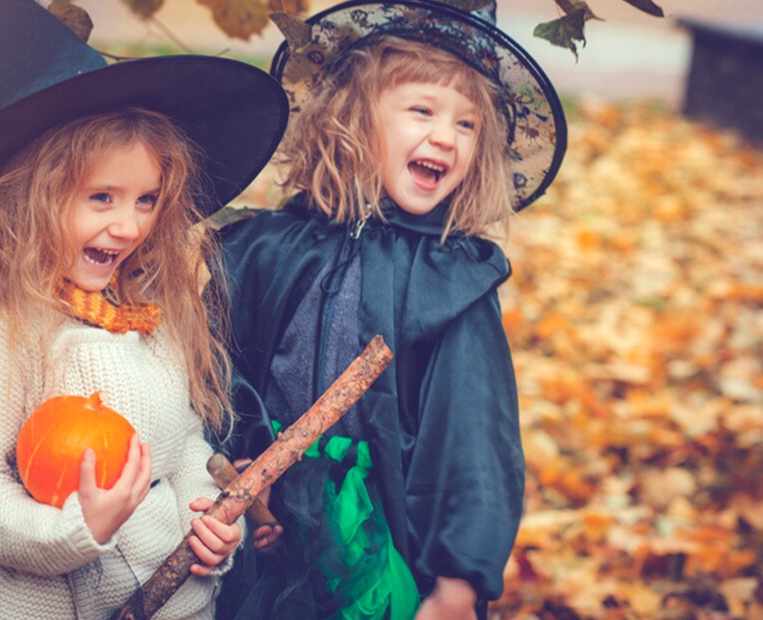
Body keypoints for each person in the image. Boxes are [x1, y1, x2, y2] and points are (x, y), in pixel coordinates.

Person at [0, 1, 287, 618]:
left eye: (147, 199)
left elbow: (180, 453)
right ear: (25, 198)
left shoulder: (144, 307)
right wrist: (77, 529)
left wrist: (208, 522)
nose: (128, 226)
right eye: (102, 198)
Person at [215, 1, 567, 619]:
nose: (444, 137)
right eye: (423, 110)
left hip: (387, 550)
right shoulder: (270, 247)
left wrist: (459, 581)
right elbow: (220, 375)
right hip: (262, 537)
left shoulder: (448, 281)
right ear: (352, 117)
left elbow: (475, 445)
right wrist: (232, 465)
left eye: (466, 124)